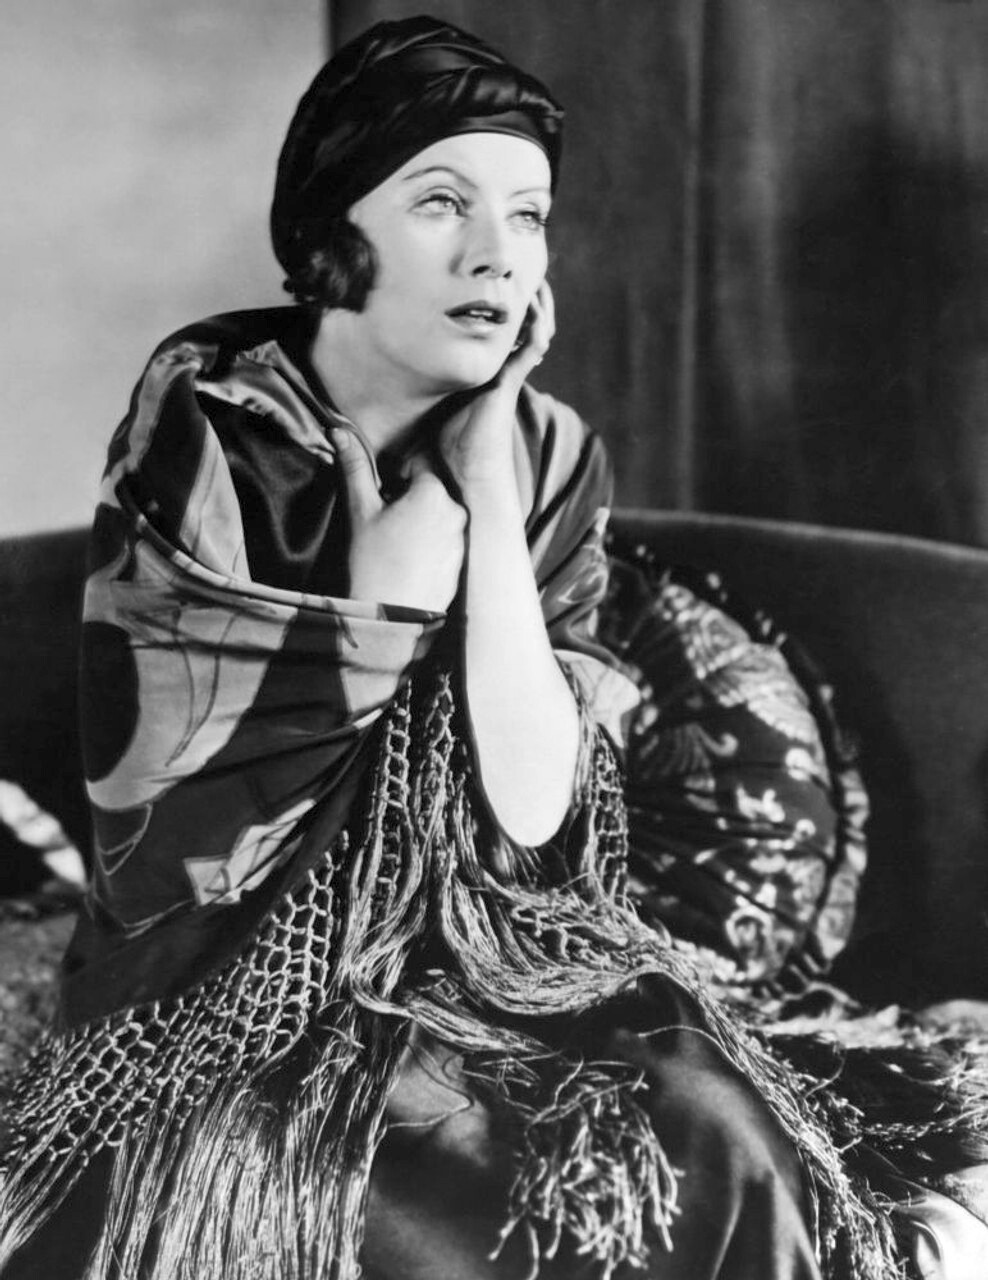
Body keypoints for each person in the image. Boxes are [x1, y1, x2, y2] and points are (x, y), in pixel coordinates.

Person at [0, 15, 982, 1280]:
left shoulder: (548, 454)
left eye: (527, 216)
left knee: (710, 1119)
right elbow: (177, 812)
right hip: (229, 984)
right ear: (333, 233)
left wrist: (486, 484)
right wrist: (390, 580)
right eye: (441, 203)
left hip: (485, 958)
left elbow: (531, 812)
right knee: (381, 1178)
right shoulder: (211, 419)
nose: (495, 253)